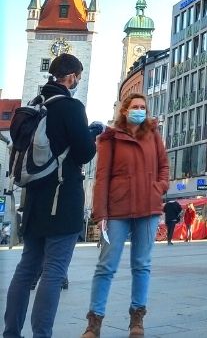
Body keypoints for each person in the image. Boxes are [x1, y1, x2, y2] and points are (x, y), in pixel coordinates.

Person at [3, 53, 100, 338]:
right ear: (70, 77)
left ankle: (11, 332)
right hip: (62, 199)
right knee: (54, 270)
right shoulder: (70, 107)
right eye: (77, 77)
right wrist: (92, 133)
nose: (77, 82)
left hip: (33, 202)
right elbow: (84, 151)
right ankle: (42, 334)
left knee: (26, 269)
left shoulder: (34, 105)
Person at [81, 93, 169, 338]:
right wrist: (101, 213)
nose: (139, 110)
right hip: (117, 210)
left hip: (148, 208)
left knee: (142, 265)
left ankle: (137, 320)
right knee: (106, 266)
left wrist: (159, 186)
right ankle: (94, 322)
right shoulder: (110, 138)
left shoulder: (153, 134)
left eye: (143, 107)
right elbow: (102, 177)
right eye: (135, 107)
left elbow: (164, 165)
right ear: (124, 110)